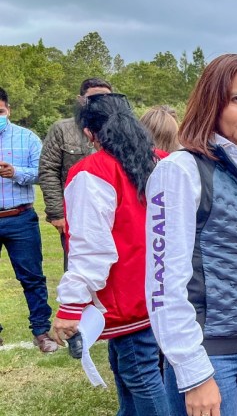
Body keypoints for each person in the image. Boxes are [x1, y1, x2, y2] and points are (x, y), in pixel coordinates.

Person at [146, 53, 237, 416]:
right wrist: (193, 374)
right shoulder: (181, 170)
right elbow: (163, 285)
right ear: (213, 101)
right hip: (211, 354)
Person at [51, 92, 169, 415]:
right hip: (160, 290)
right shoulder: (160, 159)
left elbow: (90, 248)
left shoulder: (93, 172)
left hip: (127, 299)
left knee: (141, 374)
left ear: (90, 133)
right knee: (130, 370)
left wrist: (71, 306)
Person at [0, 86, 57, 354]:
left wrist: (15, 172)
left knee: (32, 277)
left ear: (8, 110)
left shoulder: (28, 138)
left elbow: (42, 172)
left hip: (20, 217)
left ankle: (41, 331)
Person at [39, 78, 111, 271]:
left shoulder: (119, 130)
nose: (100, 102)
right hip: (74, 214)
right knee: (76, 270)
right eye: (94, 98)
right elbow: (48, 170)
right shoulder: (62, 129)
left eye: (106, 98)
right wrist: (57, 213)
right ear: (81, 100)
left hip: (112, 213)